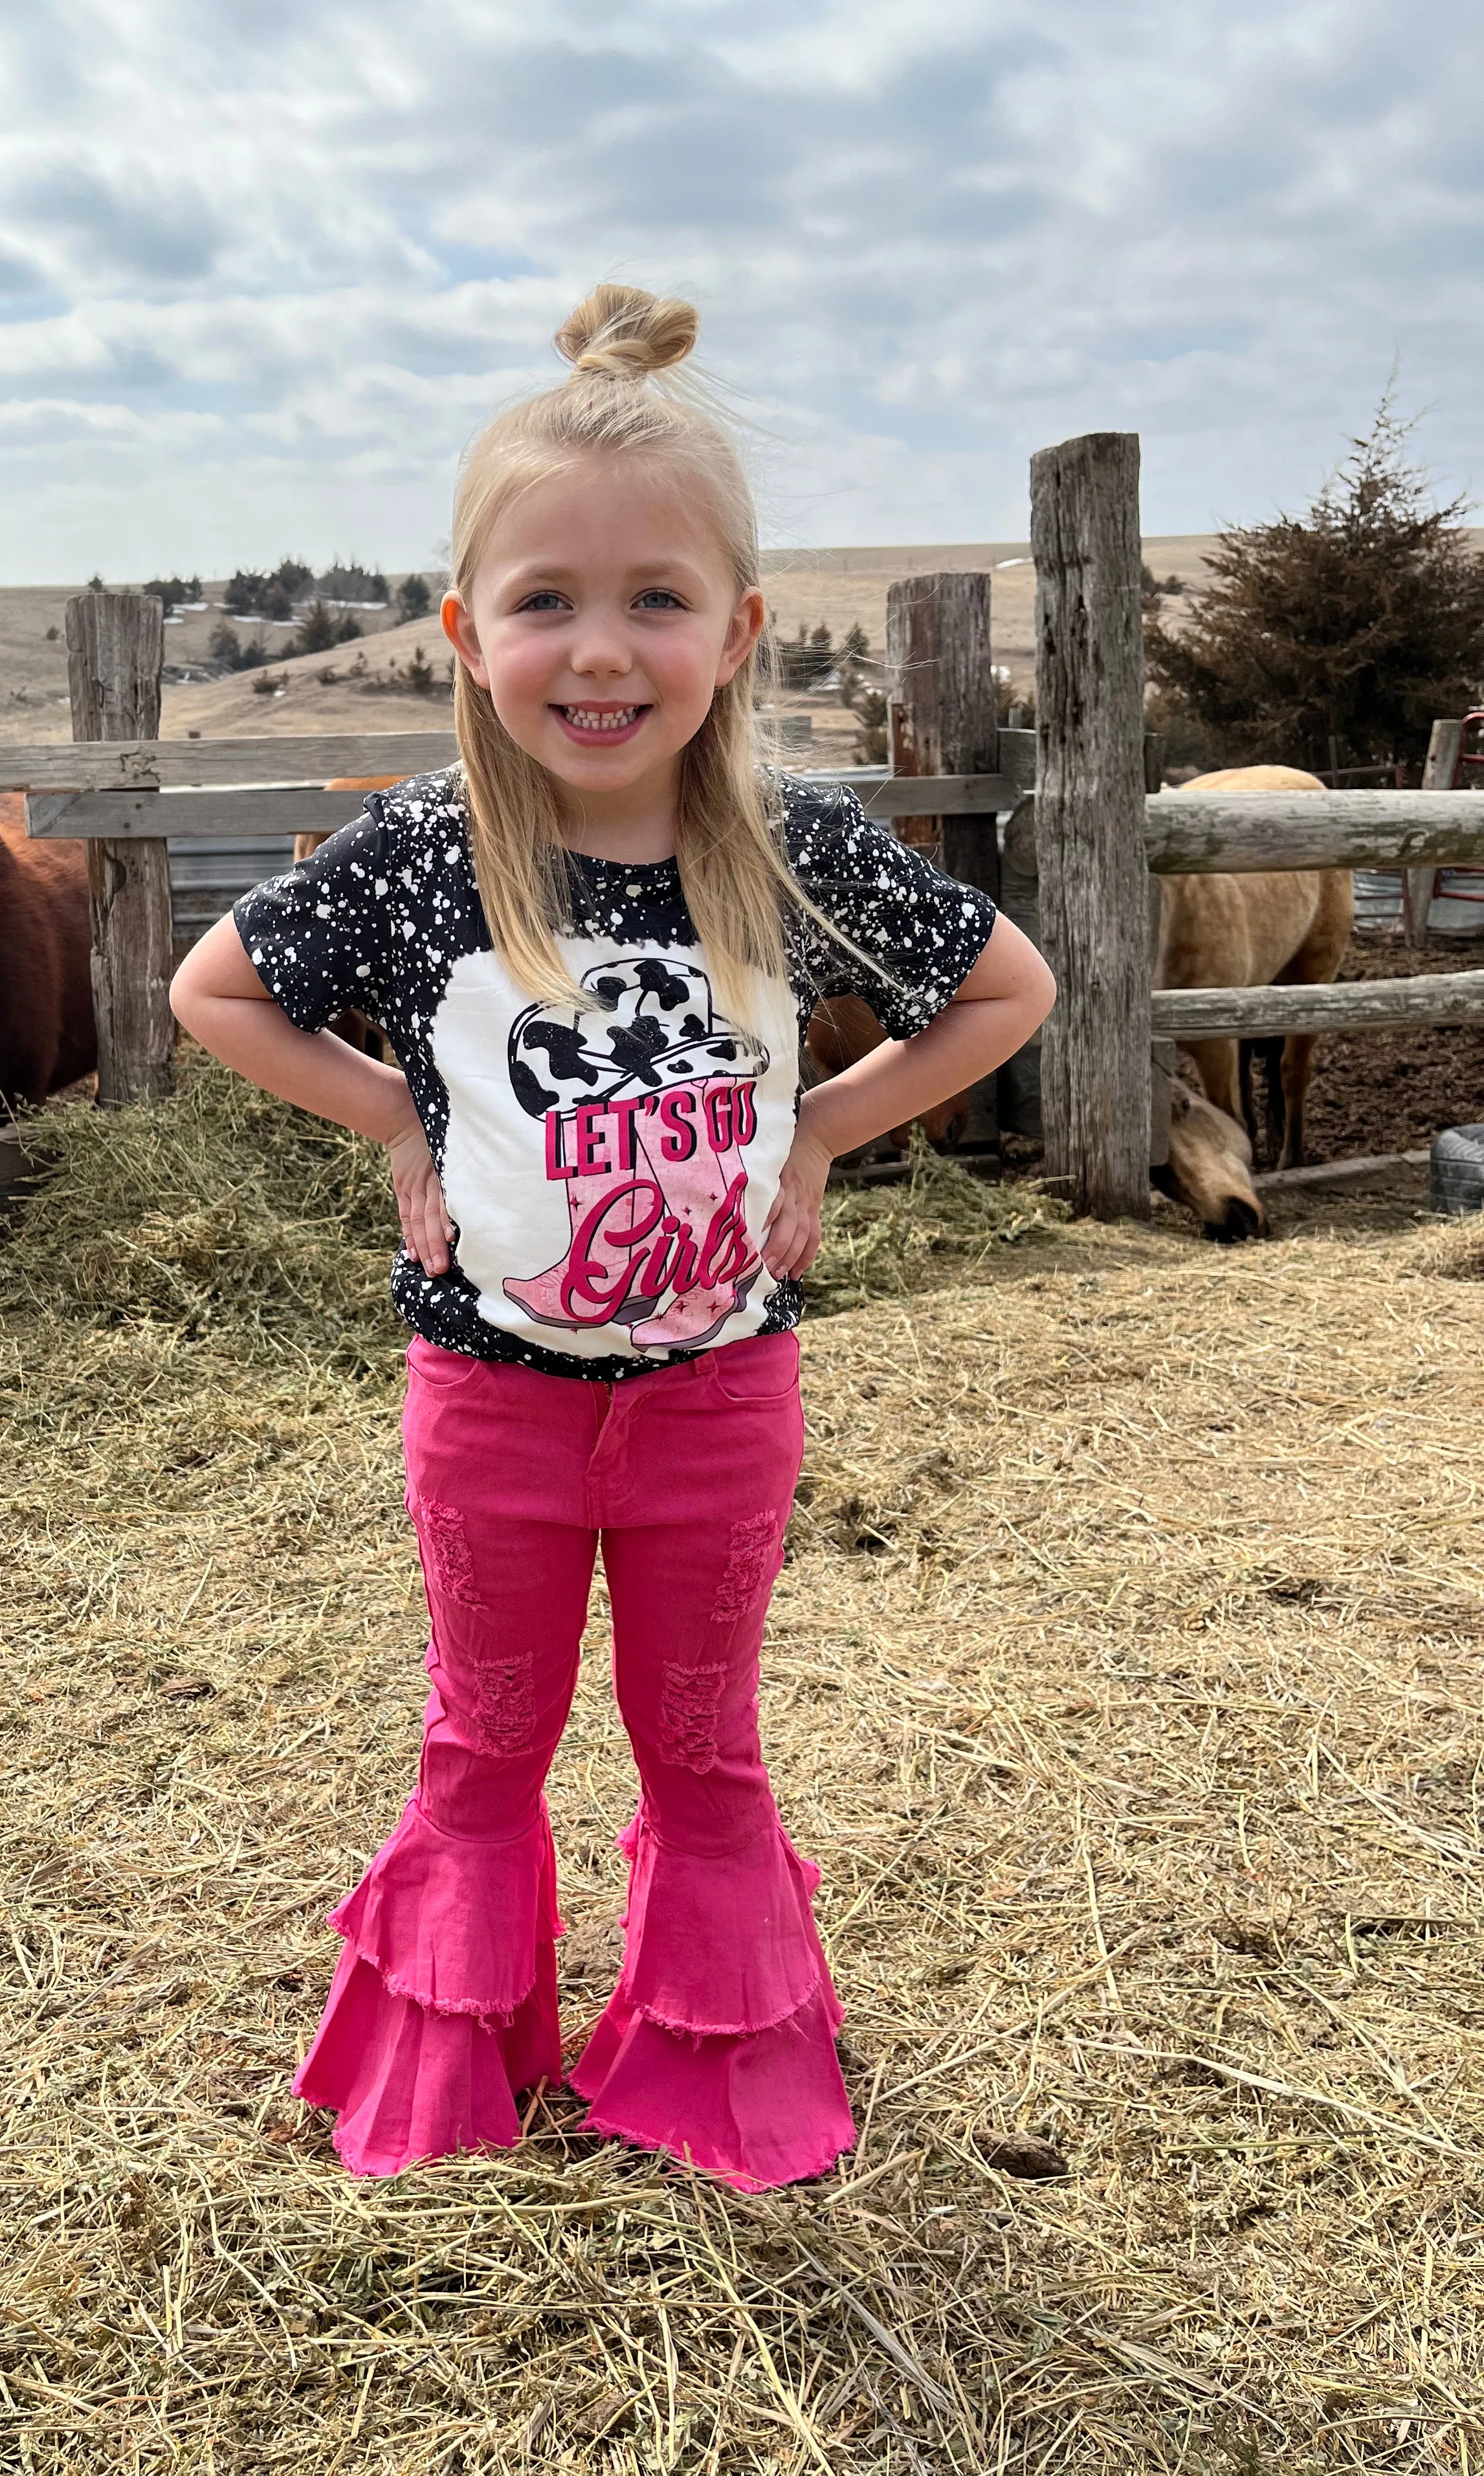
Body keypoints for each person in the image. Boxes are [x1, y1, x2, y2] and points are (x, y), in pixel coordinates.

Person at [171, 284, 1056, 2191]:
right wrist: (399, 1116)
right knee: (483, 1751)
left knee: (706, 1756)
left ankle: (710, 2071)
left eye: (657, 599)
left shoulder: (785, 839)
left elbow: (1007, 992)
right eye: (544, 601)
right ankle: (455, 2068)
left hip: (723, 1399)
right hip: (486, 1402)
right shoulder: (423, 851)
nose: (599, 649)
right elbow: (214, 993)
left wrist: (820, 1128)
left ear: (736, 632)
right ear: (462, 632)